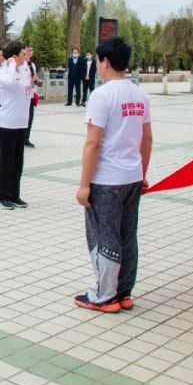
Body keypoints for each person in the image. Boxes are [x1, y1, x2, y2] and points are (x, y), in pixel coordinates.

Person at [74, 37, 152, 313]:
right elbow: (147, 139)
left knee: (104, 235)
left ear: (104, 62)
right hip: (131, 176)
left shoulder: (102, 95)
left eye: (97, 60)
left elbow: (93, 143)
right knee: (127, 234)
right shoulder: (139, 94)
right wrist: (142, 172)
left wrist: (84, 185)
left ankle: (104, 295)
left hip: (106, 179)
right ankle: (124, 291)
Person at [0, 42, 34, 209]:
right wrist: (11, 64)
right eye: (22, 53)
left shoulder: (24, 68)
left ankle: (15, 194)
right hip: (7, 122)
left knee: (18, 160)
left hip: (21, 121)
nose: (25, 56)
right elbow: (10, 83)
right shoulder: (4, 71)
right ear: (13, 56)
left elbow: (28, 90)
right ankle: (3, 195)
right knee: (7, 160)